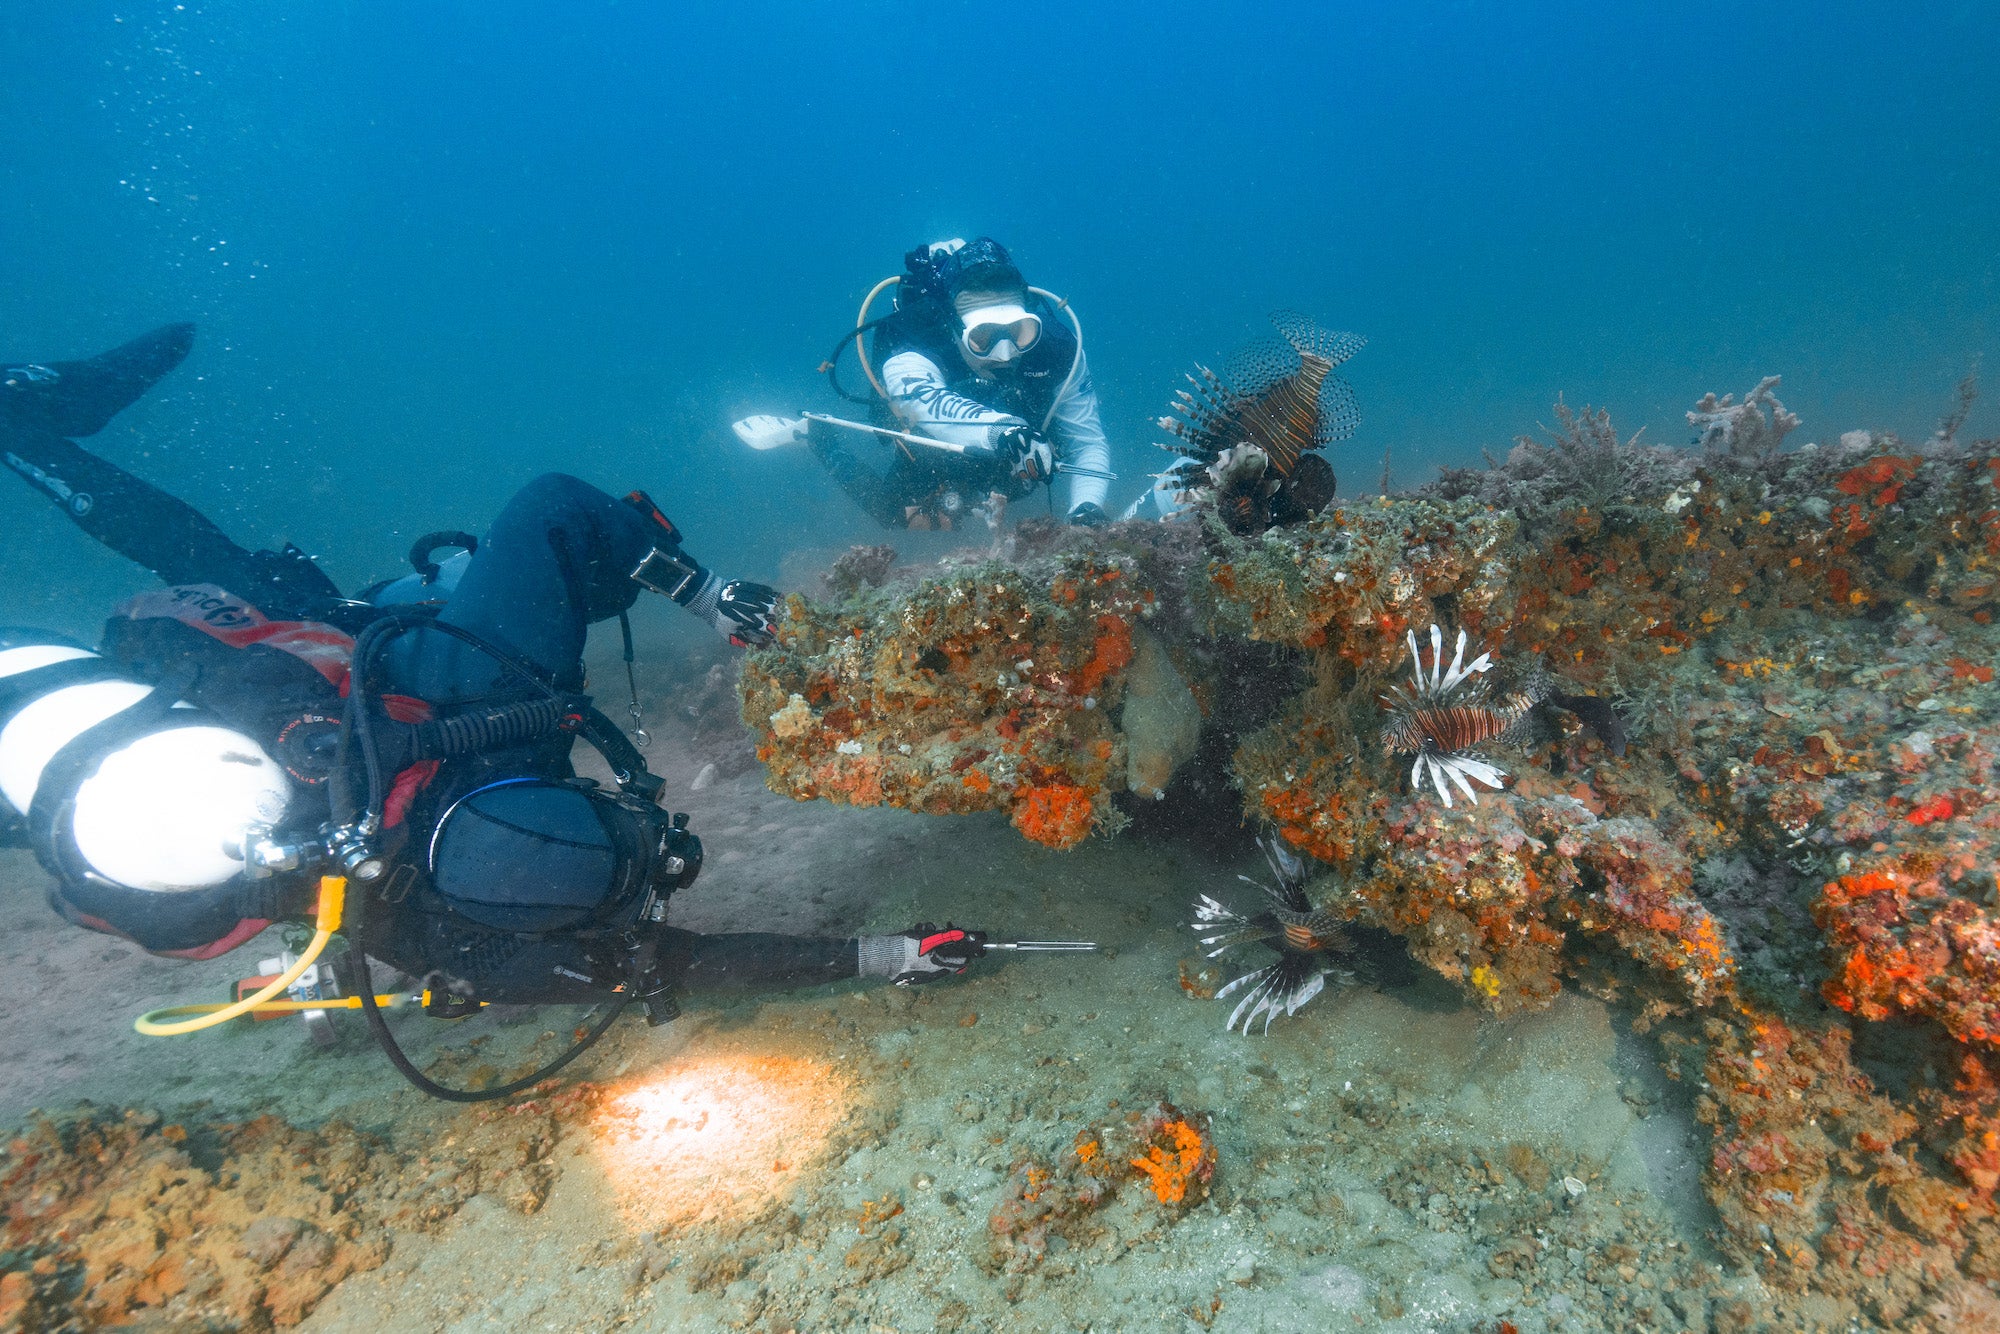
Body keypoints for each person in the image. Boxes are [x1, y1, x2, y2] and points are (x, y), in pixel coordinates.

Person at [0, 324, 986, 1095]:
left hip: (312, 677)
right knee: (214, 572)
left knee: (220, 593)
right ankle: (29, 430)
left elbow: (552, 505)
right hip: (299, 699)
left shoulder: (490, 696)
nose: (655, 861)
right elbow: (674, 963)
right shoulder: (453, 932)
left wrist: (714, 596)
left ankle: (25, 427)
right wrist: (889, 952)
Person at [734, 237, 1114, 530]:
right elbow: (924, 401)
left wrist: (1088, 509)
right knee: (898, 514)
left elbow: (1087, 441)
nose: (1005, 354)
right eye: (983, 339)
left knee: (1018, 484)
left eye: (1020, 332)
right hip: (944, 446)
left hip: (1020, 451)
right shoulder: (910, 341)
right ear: (953, 329)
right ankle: (815, 436)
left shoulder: (1058, 347)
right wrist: (1004, 430)